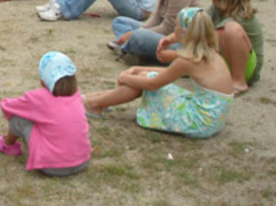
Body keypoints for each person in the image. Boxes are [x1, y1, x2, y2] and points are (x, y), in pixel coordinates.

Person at [84, 8, 234, 139]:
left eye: (176, 26)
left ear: (183, 31)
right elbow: (170, 73)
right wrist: (139, 69)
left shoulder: (188, 60)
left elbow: (152, 84)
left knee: (145, 80)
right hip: (213, 119)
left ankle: (94, 104)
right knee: (145, 76)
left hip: (199, 122)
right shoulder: (208, 53)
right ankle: (93, 100)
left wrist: (126, 77)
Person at [156, 0, 263, 95]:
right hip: (222, 60)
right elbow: (197, 24)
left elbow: (206, 41)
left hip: (247, 68)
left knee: (231, 30)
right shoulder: (217, 9)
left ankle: (239, 82)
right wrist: (172, 38)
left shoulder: (242, 17)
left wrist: (175, 55)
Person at [0, 51, 90, 177]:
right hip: (82, 161)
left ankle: (8, 144)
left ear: (43, 81)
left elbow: (7, 106)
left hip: (51, 167)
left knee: (18, 118)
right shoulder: (76, 95)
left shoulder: (38, 98)